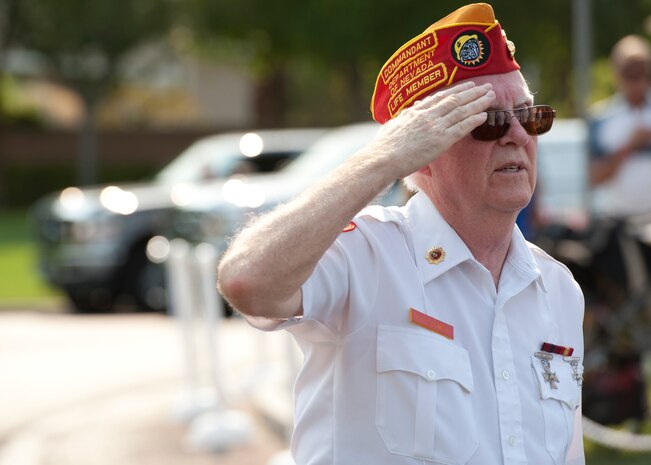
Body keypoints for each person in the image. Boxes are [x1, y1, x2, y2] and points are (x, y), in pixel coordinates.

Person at [218, 3, 585, 464]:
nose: (516, 134)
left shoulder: (557, 288)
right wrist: (382, 159)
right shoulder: (365, 257)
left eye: (530, 117)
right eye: (487, 121)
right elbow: (246, 280)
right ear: (422, 155)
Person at [589, 34, 651, 216]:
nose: (637, 79)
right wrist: (630, 146)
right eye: (629, 71)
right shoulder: (601, 117)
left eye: (641, 70)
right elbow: (595, 176)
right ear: (616, 72)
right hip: (619, 221)